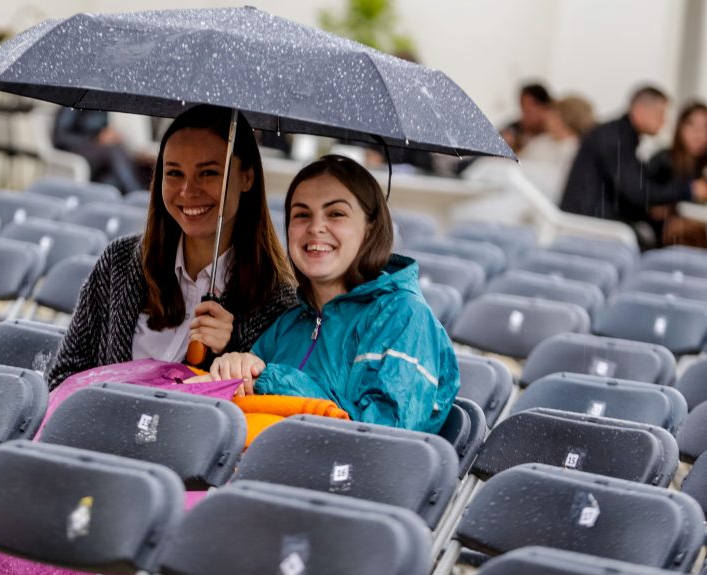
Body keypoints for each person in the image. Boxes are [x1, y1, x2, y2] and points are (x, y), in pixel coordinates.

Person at [47, 104, 297, 390]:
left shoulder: (276, 300)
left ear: (247, 177)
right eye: (174, 173)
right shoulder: (119, 262)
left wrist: (230, 349)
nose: (188, 191)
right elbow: (62, 377)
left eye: (209, 173)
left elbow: (259, 415)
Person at [206, 155, 459, 433]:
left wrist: (273, 380)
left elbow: (384, 437)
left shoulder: (406, 318)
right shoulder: (288, 321)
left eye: (336, 214)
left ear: (370, 228)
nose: (316, 228)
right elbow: (244, 403)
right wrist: (232, 365)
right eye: (301, 214)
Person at [560, 86, 707, 249]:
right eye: (660, 114)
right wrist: (689, 190)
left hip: (596, 220)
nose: (663, 121)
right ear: (640, 111)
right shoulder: (616, 139)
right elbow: (636, 192)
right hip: (591, 225)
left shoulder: (619, 136)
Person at [647, 101, 707, 247]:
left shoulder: (701, 165)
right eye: (691, 126)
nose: (698, 134)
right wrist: (690, 190)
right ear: (680, 128)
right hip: (665, 237)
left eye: (705, 127)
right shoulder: (663, 160)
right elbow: (648, 199)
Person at [52, 107, 151, 194]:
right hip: (76, 152)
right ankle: (136, 194)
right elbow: (60, 137)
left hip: (101, 155)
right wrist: (95, 138)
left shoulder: (103, 106)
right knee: (113, 150)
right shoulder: (73, 105)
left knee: (111, 179)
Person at [519, 95, 595, 203]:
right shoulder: (541, 141)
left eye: (554, 116)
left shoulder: (578, 150)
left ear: (566, 119)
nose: (547, 119)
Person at [501, 82, 554, 154]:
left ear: (544, 108)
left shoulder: (555, 134)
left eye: (529, 111)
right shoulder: (514, 130)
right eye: (523, 109)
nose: (525, 115)